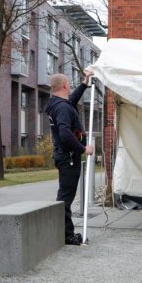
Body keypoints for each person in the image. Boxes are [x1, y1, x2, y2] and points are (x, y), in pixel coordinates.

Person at [45, 70, 95, 246]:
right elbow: (65, 134)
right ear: (65, 85)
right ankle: (66, 235)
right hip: (69, 157)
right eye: (70, 83)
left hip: (65, 156)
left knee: (65, 195)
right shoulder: (62, 108)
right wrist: (83, 148)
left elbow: (71, 101)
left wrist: (84, 84)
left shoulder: (58, 104)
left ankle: (63, 232)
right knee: (66, 197)